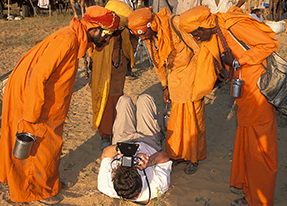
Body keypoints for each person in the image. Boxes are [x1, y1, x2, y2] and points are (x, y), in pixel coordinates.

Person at [0, 6, 120, 205]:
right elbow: (38, 76)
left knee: (51, 145)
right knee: (38, 146)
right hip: (31, 98)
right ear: (94, 29)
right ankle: (37, 191)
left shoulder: (75, 38)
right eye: (107, 35)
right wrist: (31, 114)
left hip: (46, 101)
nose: (107, 40)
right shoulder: (67, 40)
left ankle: (48, 183)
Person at [180, 5, 279, 206]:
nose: (196, 37)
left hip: (259, 95)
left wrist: (237, 61)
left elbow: (269, 44)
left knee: (260, 150)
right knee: (248, 146)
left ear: (204, 25)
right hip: (245, 97)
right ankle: (250, 193)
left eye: (196, 33)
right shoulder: (215, 31)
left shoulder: (234, 25)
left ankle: (260, 200)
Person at [128, 7, 207, 174]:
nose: (142, 38)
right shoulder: (150, 38)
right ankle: (177, 154)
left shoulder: (175, 24)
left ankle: (193, 157)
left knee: (193, 119)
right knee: (176, 120)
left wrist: (201, 78)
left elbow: (198, 50)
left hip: (192, 75)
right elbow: (158, 64)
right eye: (139, 36)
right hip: (175, 80)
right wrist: (165, 86)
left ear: (150, 24)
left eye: (142, 34)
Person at [97, 94, 172, 202]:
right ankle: (159, 132)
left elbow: (105, 154)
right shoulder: (157, 186)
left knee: (124, 101)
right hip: (149, 141)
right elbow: (165, 157)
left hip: (123, 141)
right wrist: (150, 161)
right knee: (144, 99)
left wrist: (119, 149)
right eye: (134, 167)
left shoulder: (105, 185)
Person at [88, 0, 136, 150]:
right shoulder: (102, 31)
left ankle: (117, 130)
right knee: (104, 99)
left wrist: (128, 57)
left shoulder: (125, 30)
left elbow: (132, 44)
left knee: (117, 98)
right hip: (102, 69)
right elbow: (92, 50)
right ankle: (105, 135)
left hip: (119, 69)